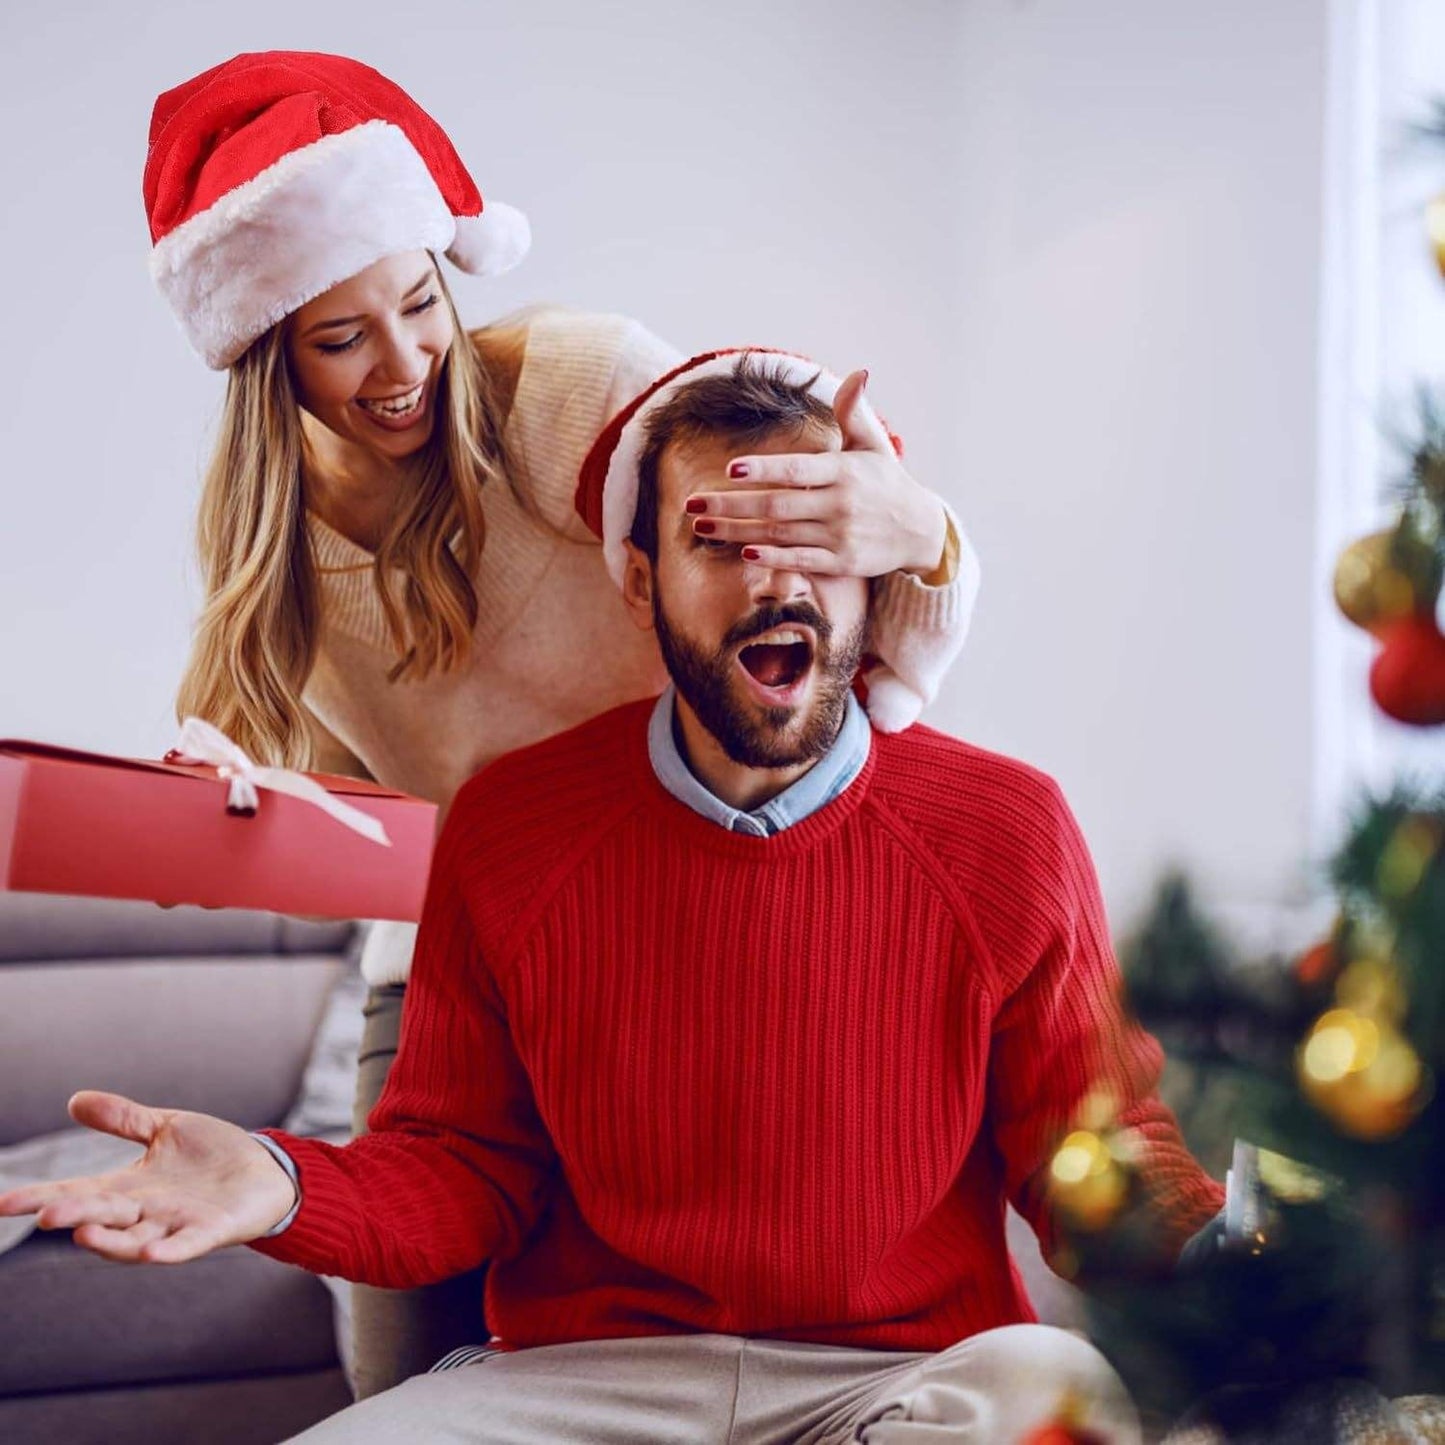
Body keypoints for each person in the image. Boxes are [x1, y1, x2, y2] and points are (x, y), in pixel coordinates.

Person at [0, 352, 1223, 1445]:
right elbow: (458, 1166)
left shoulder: (1007, 825)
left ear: (874, 573)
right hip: (592, 1381)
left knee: (1055, 1388)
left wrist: (1252, 1255)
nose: (776, 581)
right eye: (721, 540)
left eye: (814, 541)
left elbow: (1091, 1155)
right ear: (639, 580)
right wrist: (277, 1178)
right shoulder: (510, 826)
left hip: (903, 1379)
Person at [141, 51, 979, 1394]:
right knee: (395, 1363)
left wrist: (914, 527)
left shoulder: (550, 390)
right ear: (266, 356)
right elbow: (366, 819)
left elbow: (734, 486)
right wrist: (235, 819)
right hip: (461, 950)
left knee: (683, 1324)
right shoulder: (273, 548)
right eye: (342, 339)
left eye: (421, 302)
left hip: (677, 901)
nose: (405, 365)